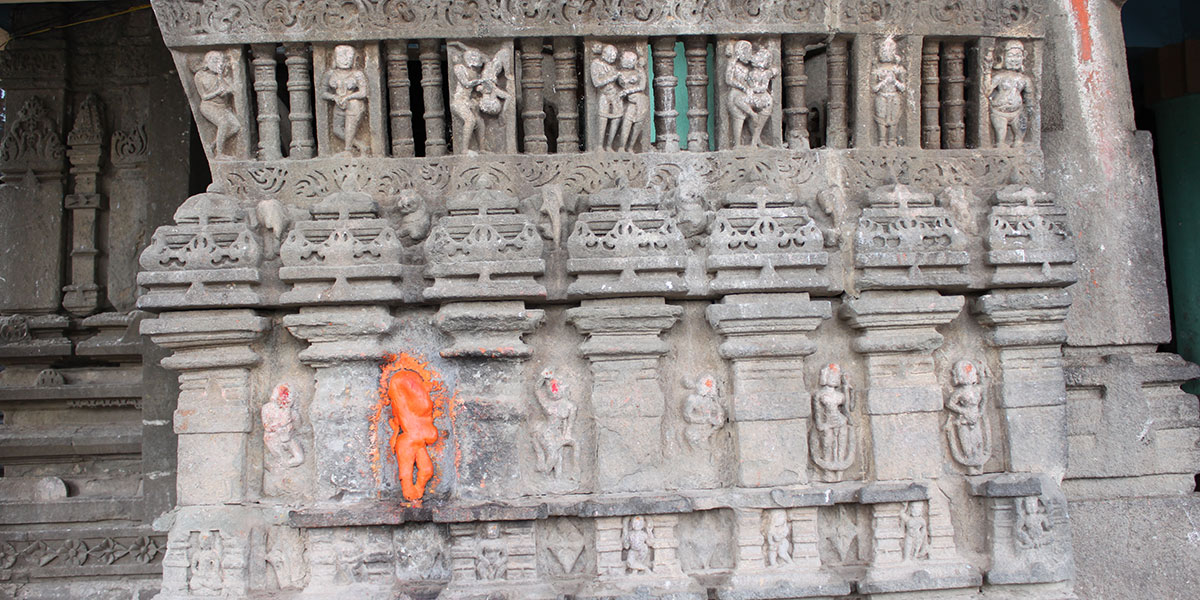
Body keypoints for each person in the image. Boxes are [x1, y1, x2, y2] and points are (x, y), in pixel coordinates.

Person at [388, 369, 438, 501]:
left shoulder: (421, 403)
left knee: (427, 471)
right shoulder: (407, 406)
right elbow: (397, 417)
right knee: (406, 478)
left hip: (418, 441)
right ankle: (411, 498)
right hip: (408, 443)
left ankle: (416, 495)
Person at [322, 44, 369, 156]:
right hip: (338, 104)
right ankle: (360, 146)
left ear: (354, 59)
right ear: (334, 58)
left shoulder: (357, 74)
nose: (345, 60)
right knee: (337, 130)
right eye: (341, 57)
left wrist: (348, 97)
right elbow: (323, 92)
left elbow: (363, 92)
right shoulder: (330, 74)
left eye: (349, 57)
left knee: (349, 127)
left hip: (354, 104)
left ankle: (347, 150)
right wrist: (334, 97)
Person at [986, 40, 1033, 148]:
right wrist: (987, 73)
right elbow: (988, 91)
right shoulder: (999, 77)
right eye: (1011, 56)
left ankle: (1018, 141)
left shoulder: (1024, 79)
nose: (1014, 60)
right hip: (1000, 112)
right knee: (1001, 135)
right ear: (1002, 57)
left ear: (1023, 58)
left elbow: (1029, 95)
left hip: (1017, 112)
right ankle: (1000, 143)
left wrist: (1030, 106)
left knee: (1021, 127)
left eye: (1018, 56)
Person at [194, 50, 240, 157]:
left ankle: (213, 145)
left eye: (220, 61)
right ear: (207, 62)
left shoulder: (221, 76)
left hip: (222, 107)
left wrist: (222, 80)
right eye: (215, 61)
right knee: (223, 123)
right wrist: (218, 91)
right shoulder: (199, 76)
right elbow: (204, 96)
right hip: (208, 106)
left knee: (236, 127)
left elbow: (227, 92)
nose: (218, 64)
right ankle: (220, 153)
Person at [872, 37, 907, 147]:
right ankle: (882, 140)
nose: (886, 53)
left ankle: (892, 141)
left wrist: (895, 81)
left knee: (894, 119)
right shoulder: (876, 70)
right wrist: (884, 82)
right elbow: (874, 88)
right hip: (881, 95)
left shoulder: (898, 69)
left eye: (889, 50)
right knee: (881, 118)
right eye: (883, 50)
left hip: (894, 95)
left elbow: (903, 87)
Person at [262, 383, 304, 468]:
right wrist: (281, 424)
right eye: (283, 396)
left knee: (299, 459)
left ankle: (285, 465)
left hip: (288, 437)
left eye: (290, 397)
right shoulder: (267, 408)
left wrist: (292, 419)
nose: (287, 400)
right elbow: (266, 426)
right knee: (281, 458)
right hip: (273, 437)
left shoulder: (292, 412)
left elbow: (298, 427)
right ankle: (280, 465)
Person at [590, 44, 623, 150]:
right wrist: (612, 77)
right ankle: (599, 145)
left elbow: (620, 83)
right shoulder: (596, 64)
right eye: (612, 55)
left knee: (617, 117)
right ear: (605, 54)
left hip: (615, 94)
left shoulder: (613, 67)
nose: (614, 58)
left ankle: (609, 145)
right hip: (604, 94)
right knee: (603, 117)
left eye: (615, 55)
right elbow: (596, 83)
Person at [615, 50, 649, 152]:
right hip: (629, 102)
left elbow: (642, 86)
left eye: (624, 59)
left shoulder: (639, 71)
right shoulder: (619, 72)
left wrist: (628, 91)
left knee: (638, 125)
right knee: (626, 122)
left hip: (640, 101)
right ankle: (621, 147)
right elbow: (621, 84)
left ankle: (630, 147)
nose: (621, 60)